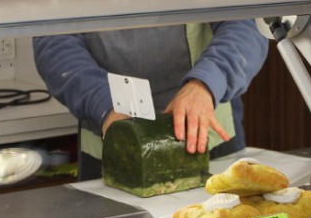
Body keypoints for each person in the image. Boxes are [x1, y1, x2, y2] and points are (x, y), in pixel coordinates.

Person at [33, 20, 269, 180]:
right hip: (111, 150)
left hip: (210, 144)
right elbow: (54, 41)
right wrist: (104, 103)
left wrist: (205, 83)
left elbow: (245, 26)